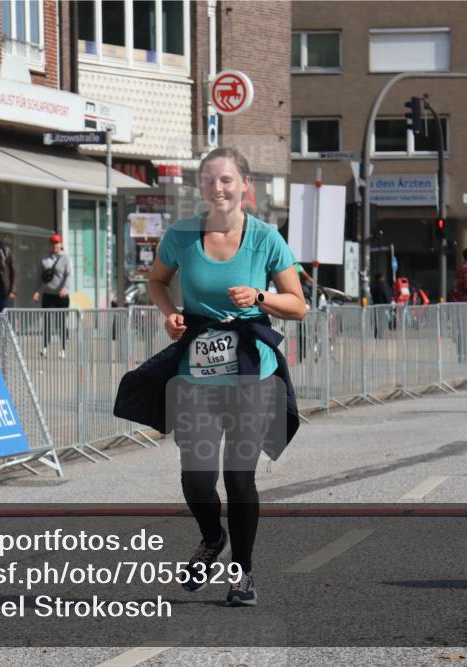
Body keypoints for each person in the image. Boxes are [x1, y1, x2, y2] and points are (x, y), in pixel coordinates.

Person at [118, 146, 306, 607]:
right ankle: (211, 536)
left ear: (245, 186)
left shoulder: (265, 238)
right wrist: (168, 314)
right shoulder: (181, 234)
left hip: (250, 371)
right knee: (196, 477)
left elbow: (298, 304)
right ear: (200, 188)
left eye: (226, 180)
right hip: (196, 371)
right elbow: (156, 281)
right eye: (209, 181)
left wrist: (261, 296)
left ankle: (241, 575)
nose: (218, 189)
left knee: (239, 477)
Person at [32, 233, 73, 357]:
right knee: (47, 322)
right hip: (48, 294)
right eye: (53, 243)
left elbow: (69, 275)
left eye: (57, 243)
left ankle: (62, 349)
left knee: (60, 322)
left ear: (61, 244)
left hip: (61, 295)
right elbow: (40, 277)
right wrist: (37, 291)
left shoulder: (66, 258)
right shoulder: (45, 259)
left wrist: (65, 289)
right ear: (50, 244)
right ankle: (45, 347)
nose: (55, 245)